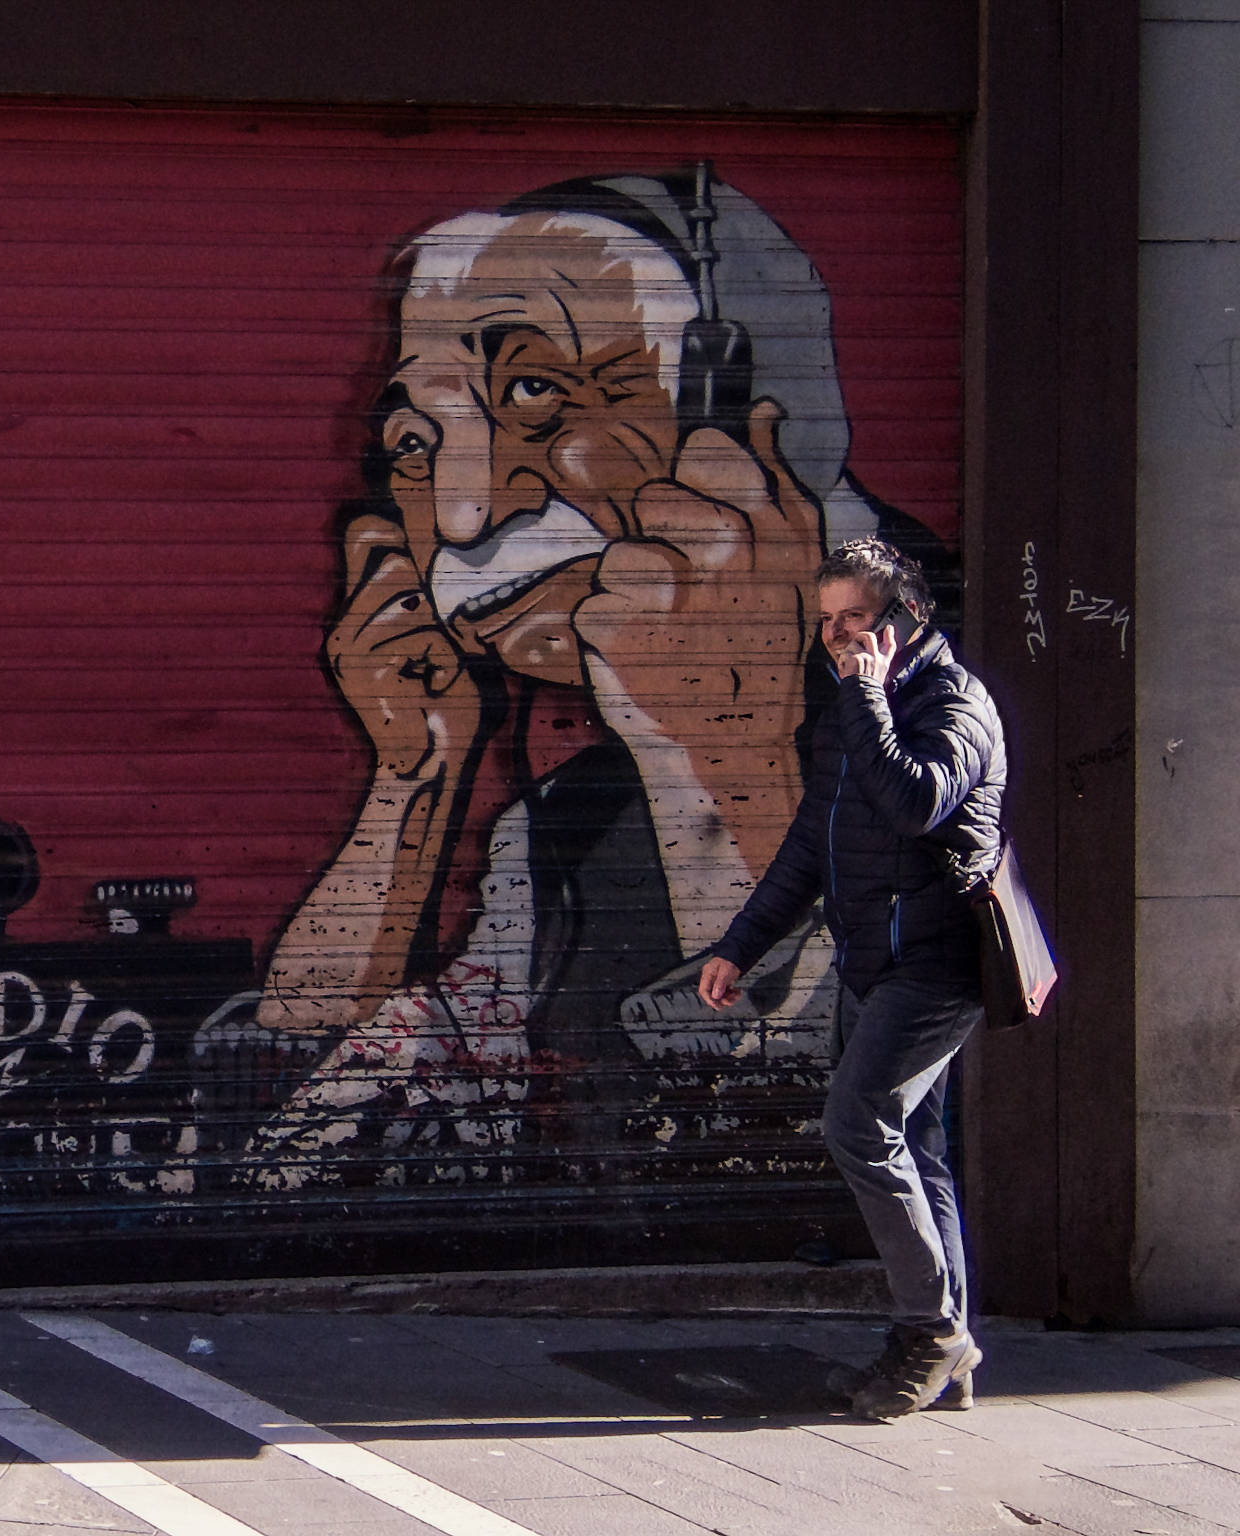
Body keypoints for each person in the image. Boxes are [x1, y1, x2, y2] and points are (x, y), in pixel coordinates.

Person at [234, 170, 954, 1191]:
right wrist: (410, 782)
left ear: (737, 433)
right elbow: (288, 1139)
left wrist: (722, 758)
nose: (465, 516)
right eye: (416, 443)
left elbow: (815, 1109)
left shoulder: (930, 710)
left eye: (534, 393)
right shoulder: (550, 839)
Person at [699, 536, 1005, 1420]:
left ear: (905, 618)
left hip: (936, 963)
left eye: (856, 618)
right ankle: (946, 1350)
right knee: (919, 1149)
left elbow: (915, 803)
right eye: (828, 621)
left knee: (858, 1126)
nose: (838, 637)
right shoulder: (849, 708)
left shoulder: (955, 702)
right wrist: (741, 944)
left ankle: (930, 1333)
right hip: (870, 959)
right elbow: (812, 842)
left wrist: (867, 695)